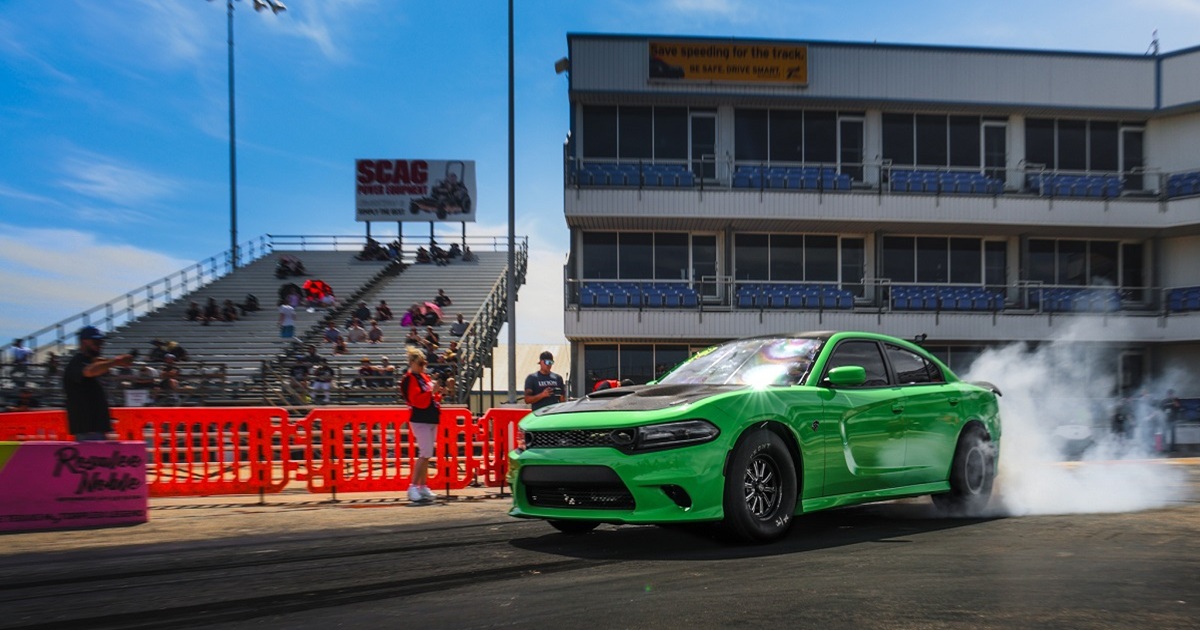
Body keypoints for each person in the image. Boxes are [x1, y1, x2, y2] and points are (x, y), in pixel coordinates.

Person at [63, 326, 133, 440]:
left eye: (101, 341)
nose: (99, 344)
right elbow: (89, 371)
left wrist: (115, 362)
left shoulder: (88, 361)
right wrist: (117, 361)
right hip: (87, 429)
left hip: (95, 428)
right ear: (84, 342)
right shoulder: (77, 362)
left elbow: (97, 364)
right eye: (96, 341)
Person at [401, 347, 441, 504]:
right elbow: (416, 399)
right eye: (420, 363)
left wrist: (439, 391)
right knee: (424, 453)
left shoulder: (423, 377)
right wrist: (432, 393)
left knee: (427, 454)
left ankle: (422, 486)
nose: (423, 366)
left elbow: (432, 398)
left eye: (424, 363)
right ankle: (412, 487)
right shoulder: (410, 379)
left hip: (430, 417)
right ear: (412, 363)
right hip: (420, 418)